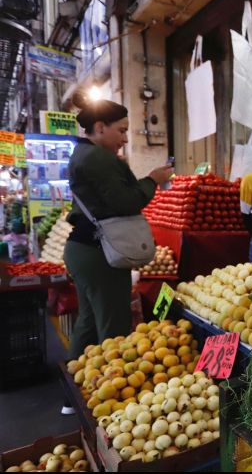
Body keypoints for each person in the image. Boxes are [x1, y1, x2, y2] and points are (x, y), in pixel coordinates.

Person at [62, 94, 173, 413]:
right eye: (121, 130)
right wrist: (153, 179)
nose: (125, 138)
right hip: (99, 254)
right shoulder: (97, 158)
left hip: (83, 250)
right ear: (99, 127)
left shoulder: (85, 154)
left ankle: (72, 397)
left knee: (88, 321)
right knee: (113, 326)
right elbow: (125, 202)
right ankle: (114, 405)